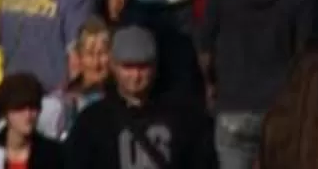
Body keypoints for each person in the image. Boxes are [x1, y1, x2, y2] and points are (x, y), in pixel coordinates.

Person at [196, 0, 313, 169]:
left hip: (234, 103)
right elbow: (304, 51)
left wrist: (211, 84)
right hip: (281, 106)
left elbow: (206, 48)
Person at [65, 28, 211, 169]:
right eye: (128, 67)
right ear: (113, 66)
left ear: (155, 66)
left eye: (142, 67)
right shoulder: (93, 121)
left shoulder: (183, 118)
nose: (136, 76)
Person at [0, 74, 64, 169]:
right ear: (5, 113)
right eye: (20, 108)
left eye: (33, 108)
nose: (28, 115)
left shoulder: (55, 154)